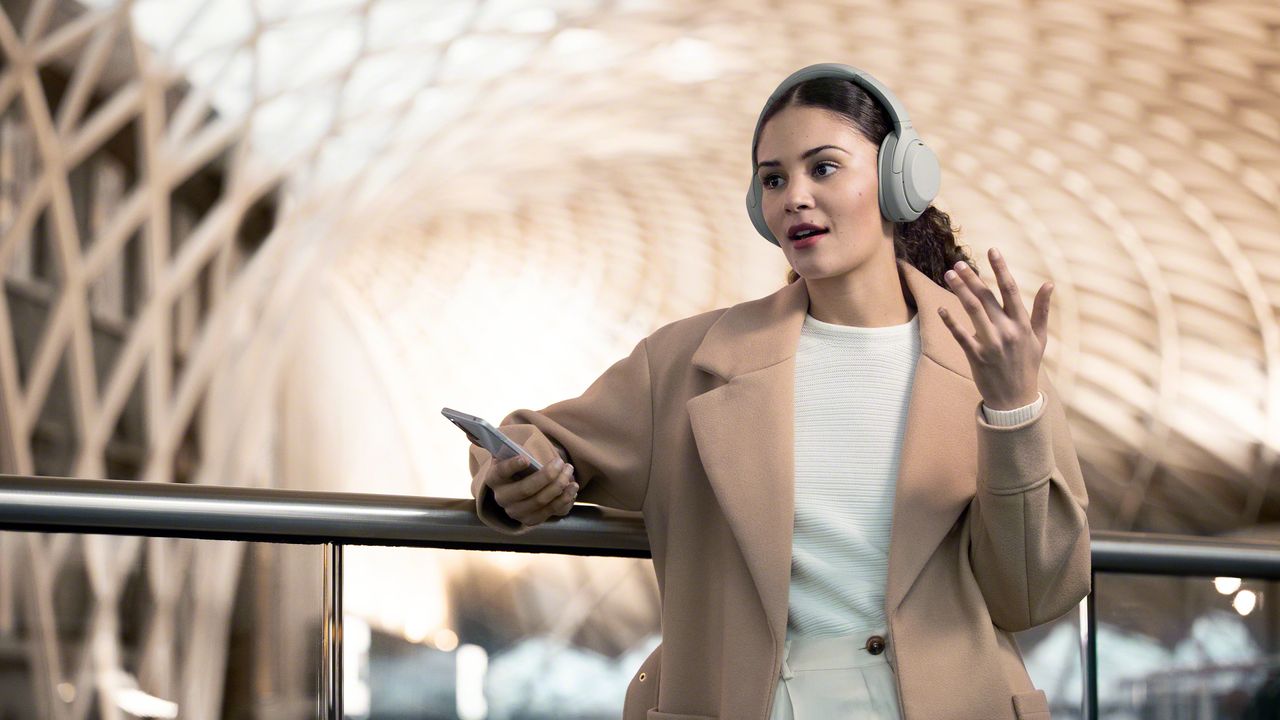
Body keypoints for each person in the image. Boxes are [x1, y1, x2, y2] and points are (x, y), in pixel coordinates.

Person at [468, 63, 1089, 720]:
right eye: (773, 178)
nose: (794, 195)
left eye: (823, 168)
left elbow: (1032, 594)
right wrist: (510, 477)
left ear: (898, 178)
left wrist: (1014, 409)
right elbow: (530, 437)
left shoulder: (989, 358)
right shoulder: (685, 364)